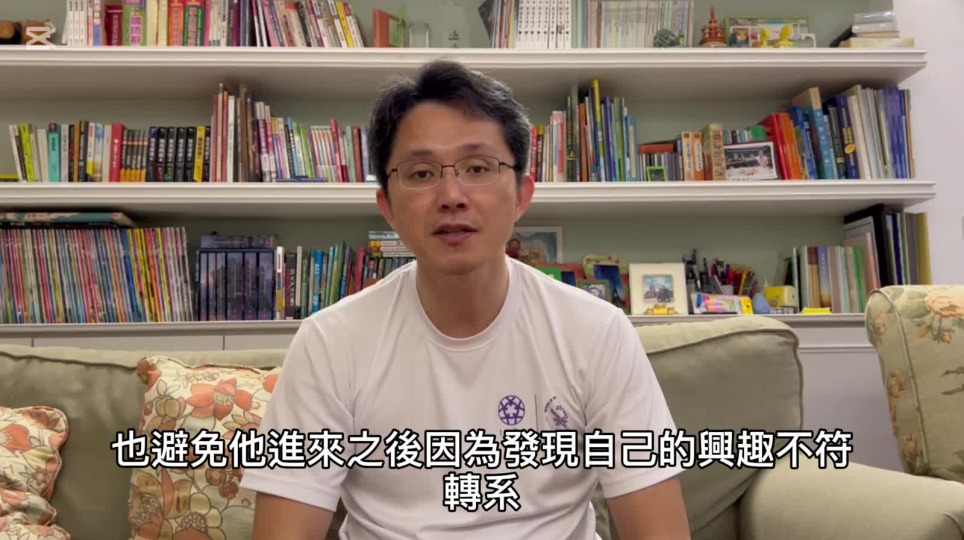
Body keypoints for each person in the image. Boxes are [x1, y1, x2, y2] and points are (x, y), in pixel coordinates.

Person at [239, 59, 691, 540]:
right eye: (420, 173)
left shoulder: (598, 333)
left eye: (478, 168)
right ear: (387, 207)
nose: (451, 195)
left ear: (521, 195)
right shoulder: (330, 342)